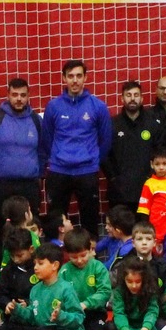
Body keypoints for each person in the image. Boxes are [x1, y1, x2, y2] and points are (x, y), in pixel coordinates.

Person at [43, 60, 112, 235]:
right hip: (59, 171)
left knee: (90, 221)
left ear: (85, 78)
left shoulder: (98, 106)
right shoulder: (53, 106)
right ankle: (55, 257)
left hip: (87, 171)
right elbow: (47, 138)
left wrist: (92, 160)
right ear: (64, 78)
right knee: (56, 221)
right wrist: (58, 157)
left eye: (79, 76)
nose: (75, 80)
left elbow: (105, 140)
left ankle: (91, 259)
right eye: (71, 76)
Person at [0, 242, 86, 330]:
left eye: (40, 263)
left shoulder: (66, 289)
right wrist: (17, 310)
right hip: (40, 329)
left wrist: (61, 316)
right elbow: (33, 316)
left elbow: (79, 318)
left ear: (54, 265)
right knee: (5, 328)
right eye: (35, 263)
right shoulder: (35, 289)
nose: (35, 267)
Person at [0, 77, 45, 221]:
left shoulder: (36, 120)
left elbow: (42, 151)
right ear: (8, 95)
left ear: (28, 96)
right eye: (15, 95)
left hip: (28, 185)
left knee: (29, 227)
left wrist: (39, 174)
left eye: (23, 95)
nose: (19, 99)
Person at [102, 80, 159, 212]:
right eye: (128, 95)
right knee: (120, 231)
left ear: (142, 98)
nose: (132, 99)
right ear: (122, 98)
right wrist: (113, 177)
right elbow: (104, 154)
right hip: (119, 192)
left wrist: (151, 176)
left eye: (136, 95)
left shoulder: (153, 123)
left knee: (145, 231)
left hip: (147, 189)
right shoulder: (112, 124)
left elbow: (160, 152)